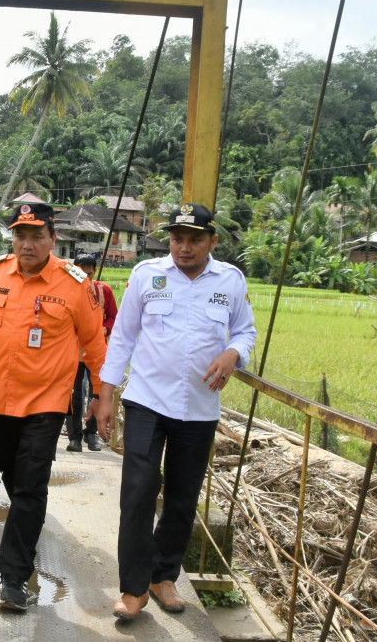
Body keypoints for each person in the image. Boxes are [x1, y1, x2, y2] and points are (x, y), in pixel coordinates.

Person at [0, 202, 107, 612]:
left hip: (46, 404)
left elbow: (96, 345)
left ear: (52, 238)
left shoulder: (74, 284)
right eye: (20, 235)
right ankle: (15, 507)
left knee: (30, 487)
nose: (27, 244)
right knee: (9, 471)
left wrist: (101, 395)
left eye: (36, 236)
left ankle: (12, 577)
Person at [93, 202, 256, 620]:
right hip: (147, 400)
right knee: (139, 492)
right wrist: (105, 395)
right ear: (169, 240)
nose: (185, 247)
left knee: (183, 499)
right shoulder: (148, 275)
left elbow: (245, 329)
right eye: (178, 238)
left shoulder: (230, 281)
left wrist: (234, 352)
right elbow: (123, 337)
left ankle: (163, 577)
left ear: (212, 241)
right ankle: (132, 589)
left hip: (200, 409)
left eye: (195, 239)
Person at [67, 254, 118, 452]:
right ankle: (74, 437)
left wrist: (106, 328)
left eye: (89, 274)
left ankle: (91, 434)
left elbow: (113, 315)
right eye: (81, 273)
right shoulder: (67, 290)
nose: (85, 278)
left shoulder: (104, 290)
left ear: (94, 272)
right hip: (73, 352)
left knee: (95, 393)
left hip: (97, 352)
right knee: (73, 395)